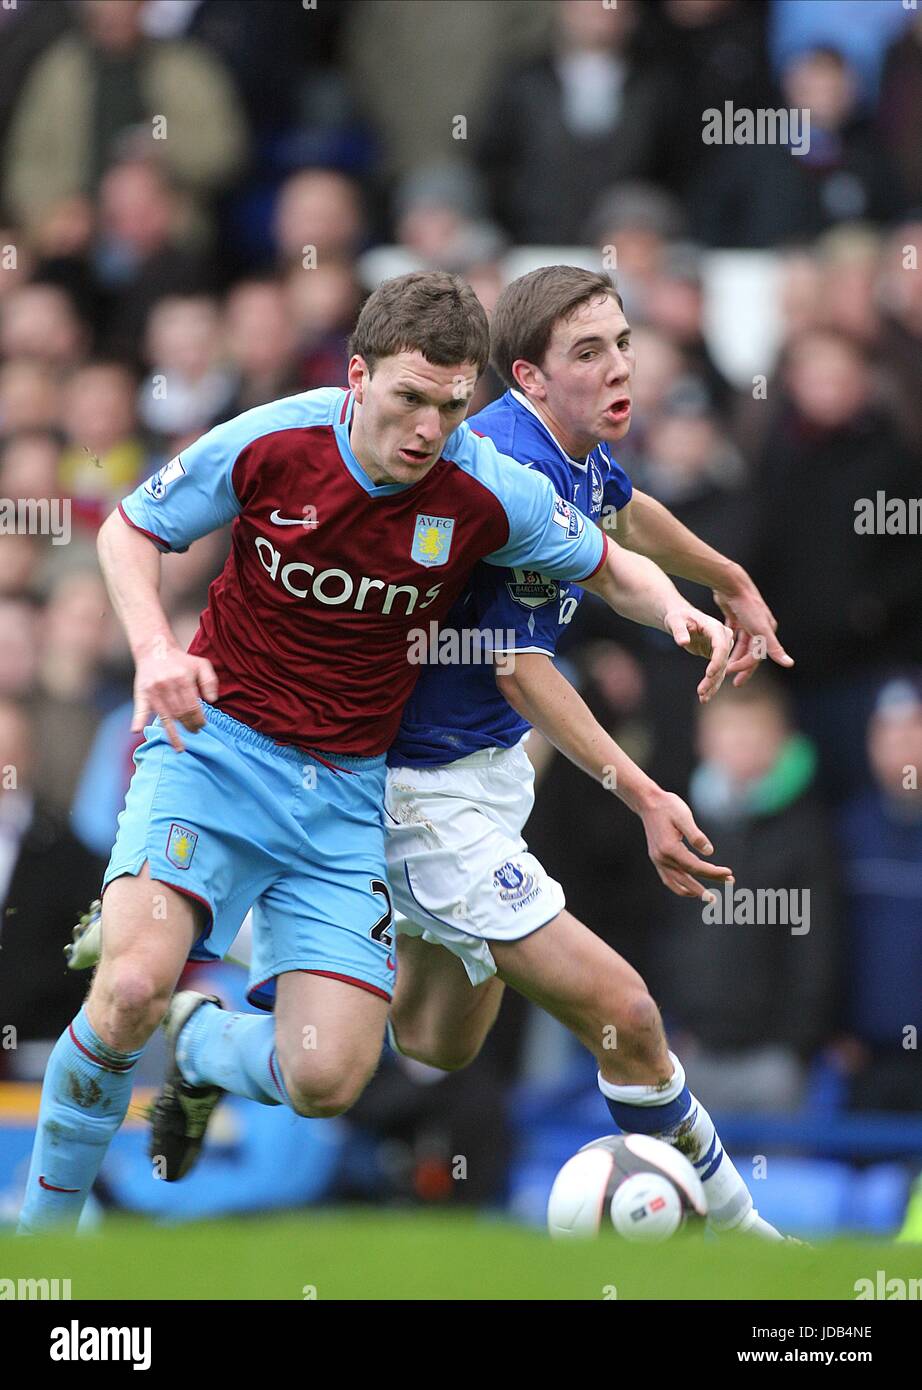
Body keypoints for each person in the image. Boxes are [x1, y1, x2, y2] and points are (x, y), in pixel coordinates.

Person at [18, 271, 731, 1232]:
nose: (428, 429)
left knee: (327, 1076)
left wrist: (680, 607)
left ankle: (200, 1046)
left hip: (347, 798)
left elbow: (609, 558)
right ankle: (45, 1249)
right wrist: (153, 649)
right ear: (357, 377)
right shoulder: (279, 438)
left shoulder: (481, 484)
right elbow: (134, 531)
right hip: (215, 752)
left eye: (449, 404)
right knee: (133, 985)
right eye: (408, 399)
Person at [382, 266, 792, 1237]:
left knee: (429, 1040)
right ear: (527, 376)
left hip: (474, 776)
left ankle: (222, 1024)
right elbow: (522, 670)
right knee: (628, 1015)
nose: (620, 366)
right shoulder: (503, 469)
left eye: (622, 341)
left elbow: (621, 507)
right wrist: (646, 792)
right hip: (426, 784)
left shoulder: (574, 450)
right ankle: (749, 1243)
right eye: (587, 352)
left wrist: (724, 575)